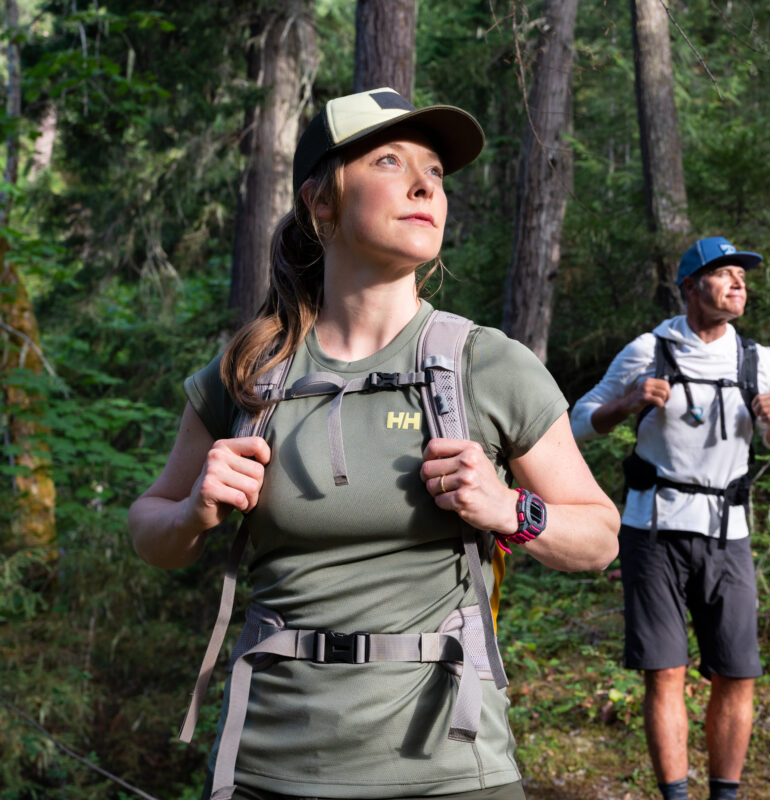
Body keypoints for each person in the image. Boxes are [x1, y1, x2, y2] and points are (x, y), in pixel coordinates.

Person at [129, 87, 620, 800]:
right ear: (321, 203)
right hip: (267, 769)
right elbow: (151, 530)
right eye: (390, 161)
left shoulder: (486, 364)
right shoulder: (248, 376)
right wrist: (192, 513)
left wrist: (512, 508)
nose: (425, 184)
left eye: (435, 172)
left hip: (451, 772)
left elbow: (601, 536)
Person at [570, 237, 770, 800]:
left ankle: (724, 795)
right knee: (665, 671)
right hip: (654, 531)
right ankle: (675, 795)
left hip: (730, 535)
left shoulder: (758, 360)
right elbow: (577, 421)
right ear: (691, 287)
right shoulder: (648, 350)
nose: (740, 282)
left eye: (743, 276)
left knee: (737, 673)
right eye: (725, 274)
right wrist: (627, 404)